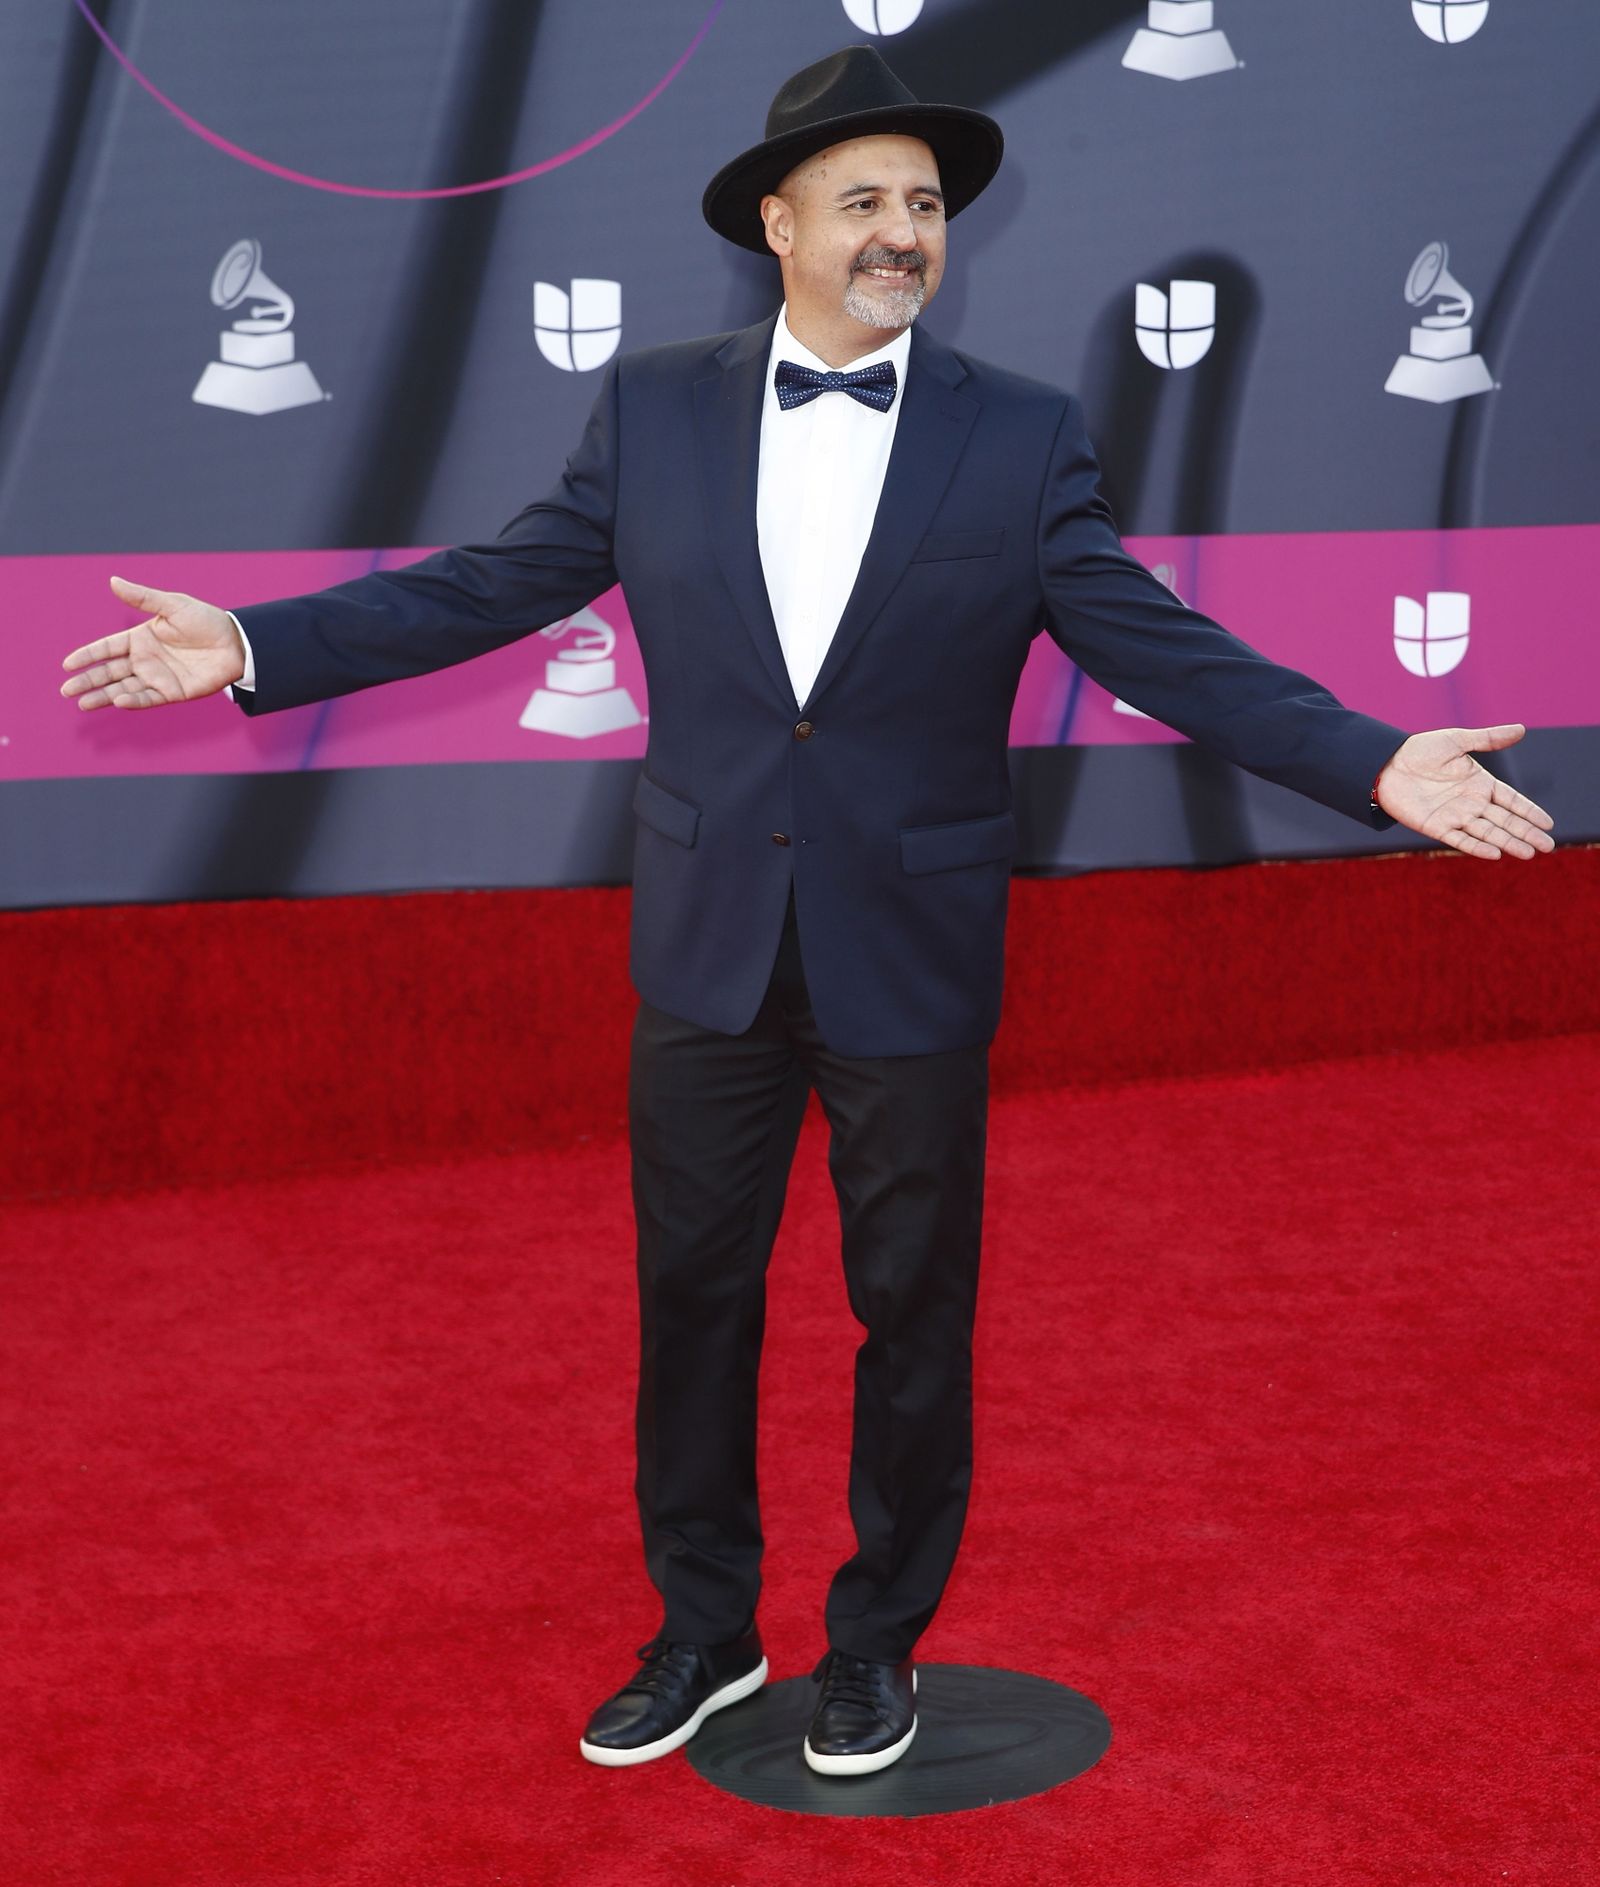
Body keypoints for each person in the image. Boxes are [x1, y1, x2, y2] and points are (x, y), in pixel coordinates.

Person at [60, 45, 1555, 1780]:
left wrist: (1375, 760)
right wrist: (253, 643)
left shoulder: (1021, 433)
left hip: (907, 953)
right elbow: (491, 585)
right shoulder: (657, 406)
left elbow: (1164, 647)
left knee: (910, 1308)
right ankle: (703, 1632)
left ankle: (875, 1644)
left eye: (925, 205)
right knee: (692, 1296)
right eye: (865, 202)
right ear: (778, 224)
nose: (902, 231)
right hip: (707, 945)